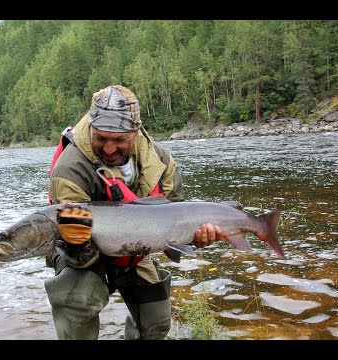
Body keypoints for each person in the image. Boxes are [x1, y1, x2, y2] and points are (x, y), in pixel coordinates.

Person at [44, 85, 224, 340]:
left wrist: (195, 238)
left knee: (156, 324)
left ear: (136, 132)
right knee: (79, 298)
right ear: (91, 127)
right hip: (79, 249)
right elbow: (76, 254)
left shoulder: (160, 161)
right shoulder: (69, 169)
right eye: (101, 138)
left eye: (119, 140)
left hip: (136, 247)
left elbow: (176, 217)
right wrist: (79, 244)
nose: (108, 149)